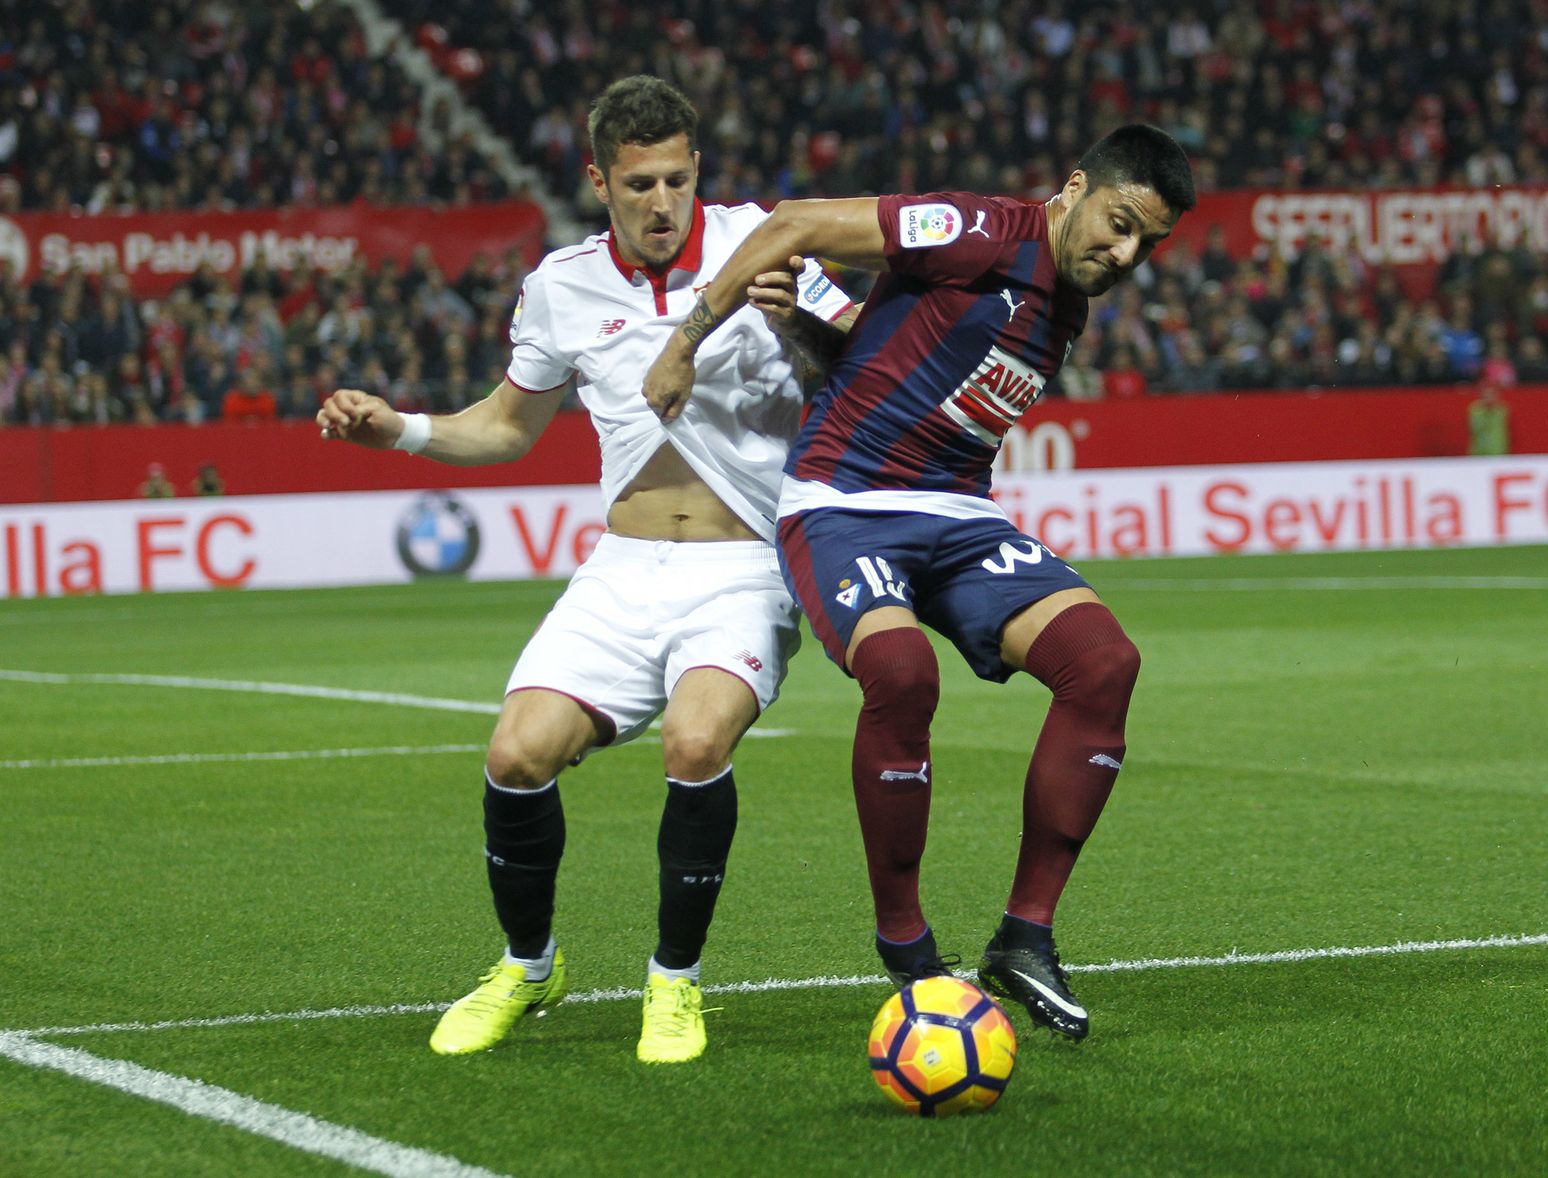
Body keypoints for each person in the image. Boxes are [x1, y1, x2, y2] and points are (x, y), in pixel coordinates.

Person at [317, 76, 852, 1064]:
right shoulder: (561, 286)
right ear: (600, 182)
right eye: (640, 184)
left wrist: (807, 327)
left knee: (696, 740)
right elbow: (504, 426)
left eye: (679, 179)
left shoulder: (767, 243)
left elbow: (869, 366)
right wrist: (399, 429)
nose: (663, 203)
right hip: (624, 565)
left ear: (699, 170)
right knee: (516, 754)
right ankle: (528, 965)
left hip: (744, 563)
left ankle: (674, 982)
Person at [645, 123, 1196, 1041]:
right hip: (843, 503)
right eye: (1120, 223)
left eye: (1149, 242)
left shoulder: (1068, 300)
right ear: (1075, 188)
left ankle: (1025, 937)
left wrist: (814, 326)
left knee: (1104, 664)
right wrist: (685, 344)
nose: (1128, 254)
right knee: (902, 673)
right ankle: (906, 945)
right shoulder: (981, 230)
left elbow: (895, 357)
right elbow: (792, 223)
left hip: (959, 515)